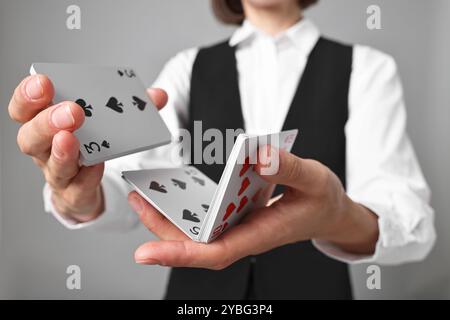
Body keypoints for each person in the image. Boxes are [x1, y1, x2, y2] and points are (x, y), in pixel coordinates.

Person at [7, 0, 435, 299]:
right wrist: (80, 195)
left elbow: (410, 224)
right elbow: (132, 179)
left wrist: (340, 216)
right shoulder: (186, 67)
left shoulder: (368, 68)